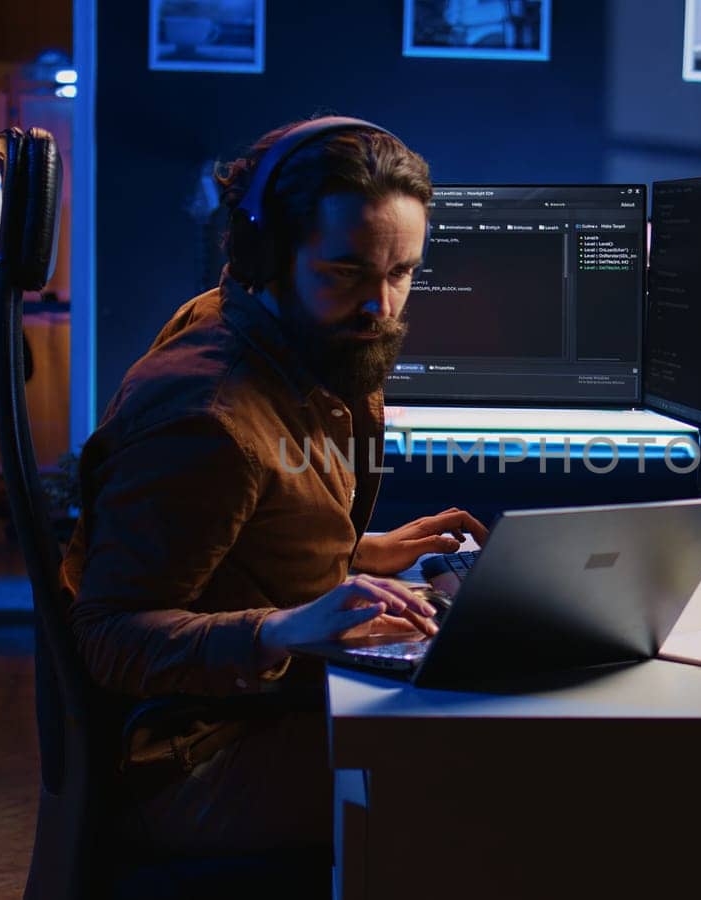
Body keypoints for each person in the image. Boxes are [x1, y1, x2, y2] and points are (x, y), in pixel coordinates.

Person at [62, 116, 488, 854]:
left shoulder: (298, 341)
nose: (380, 308)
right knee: (490, 792)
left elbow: (235, 535)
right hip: (203, 757)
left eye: (400, 272)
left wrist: (355, 556)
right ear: (267, 254)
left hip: (273, 712)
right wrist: (280, 629)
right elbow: (106, 637)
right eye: (345, 272)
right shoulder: (207, 414)